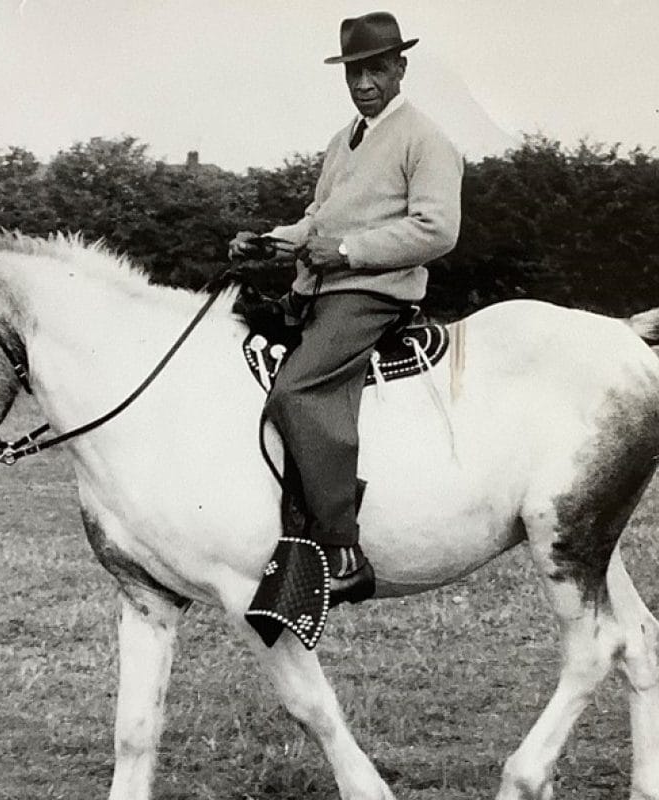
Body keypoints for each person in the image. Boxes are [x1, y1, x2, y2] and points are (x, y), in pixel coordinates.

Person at [231, 11, 463, 618]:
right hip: (324, 287)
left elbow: (438, 230)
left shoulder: (426, 140)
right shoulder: (345, 140)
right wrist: (268, 240)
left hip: (375, 293)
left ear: (400, 69)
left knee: (298, 391)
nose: (364, 82)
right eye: (355, 71)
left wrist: (351, 251)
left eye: (377, 69)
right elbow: (318, 220)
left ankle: (342, 553)